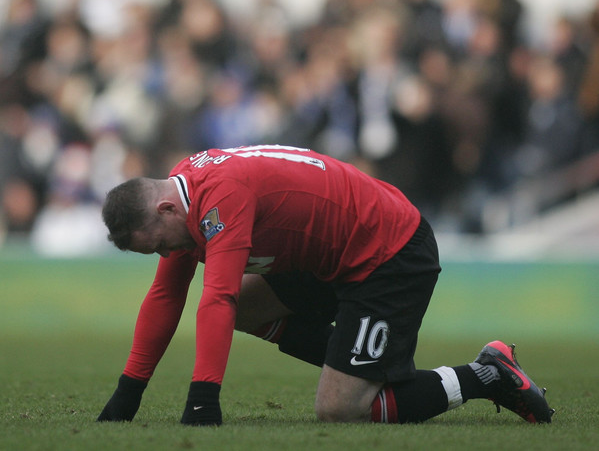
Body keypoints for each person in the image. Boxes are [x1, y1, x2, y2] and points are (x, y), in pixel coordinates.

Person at [96, 145, 553, 425]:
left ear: (164, 211)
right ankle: (362, 364)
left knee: (340, 409)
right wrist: (128, 393)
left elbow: (218, 296)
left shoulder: (219, 198)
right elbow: (166, 296)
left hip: (389, 253)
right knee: (251, 310)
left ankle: (488, 374)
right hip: (328, 258)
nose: (164, 256)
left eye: (157, 247)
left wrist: (202, 400)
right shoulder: (185, 193)